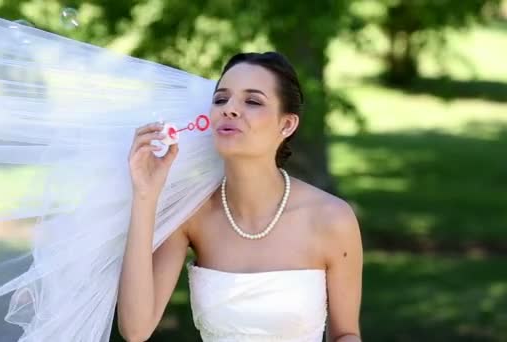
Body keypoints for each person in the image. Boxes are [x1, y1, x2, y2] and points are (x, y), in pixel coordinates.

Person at [119, 52, 363, 342]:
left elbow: (345, 334)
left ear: (286, 125)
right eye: (221, 99)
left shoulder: (331, 218)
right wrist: (145, 196)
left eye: (253, 101)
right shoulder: (191, 214)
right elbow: (135, 330)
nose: (230, 109)